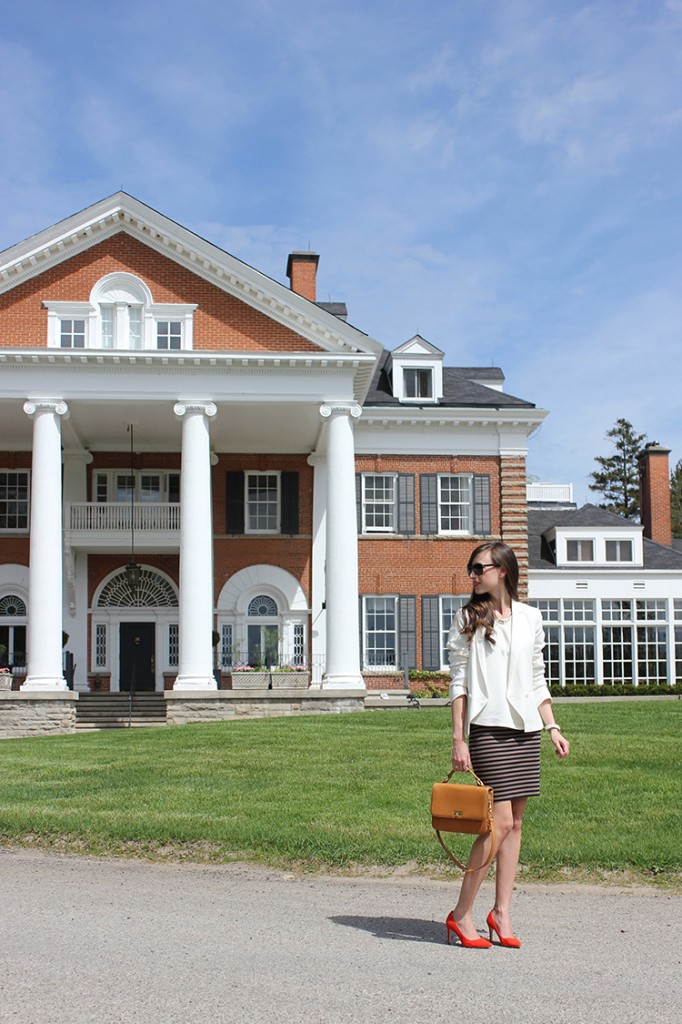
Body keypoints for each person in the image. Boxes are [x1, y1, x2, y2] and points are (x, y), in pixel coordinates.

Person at [445, 541, 569, 949]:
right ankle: (461, 915)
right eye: (471, 569)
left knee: (515, 823)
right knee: (495, 823)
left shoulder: (531, 618)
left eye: (479, 568)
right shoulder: (467, 617)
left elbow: (537, 677)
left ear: (503, 570)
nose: (473, 575)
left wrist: (551, 726)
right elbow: (458, 684)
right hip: (487, 729)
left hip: (524, 729)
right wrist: (458, 740)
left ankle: (500, 913)